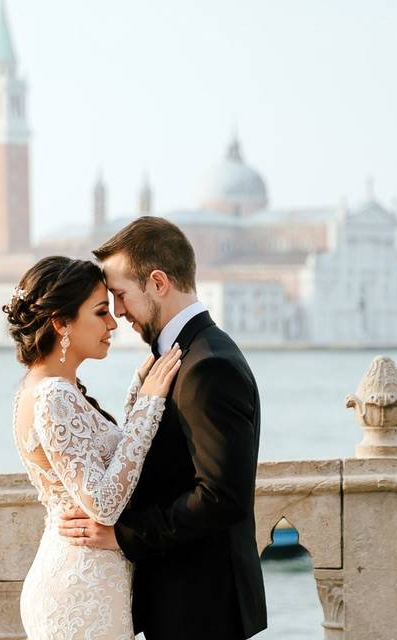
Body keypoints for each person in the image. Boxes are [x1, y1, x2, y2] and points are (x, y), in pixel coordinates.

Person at [57, 216, 267, 639]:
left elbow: (222, 498)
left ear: (158, 282)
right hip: (182, 600)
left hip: (200, 608)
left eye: (120, 295)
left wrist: (122, 536)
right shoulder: (184, 355)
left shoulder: (207, 366)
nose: (117, 312)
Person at [4, 255, 182, 639]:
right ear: (61, 322)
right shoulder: (53, 394)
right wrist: (149, 406)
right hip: (80, 590)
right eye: (101, 312)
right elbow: (102, 503)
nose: (113, 323)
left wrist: (137, 394)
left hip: (85, 579)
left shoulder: (44, 388)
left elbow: (96, 458)